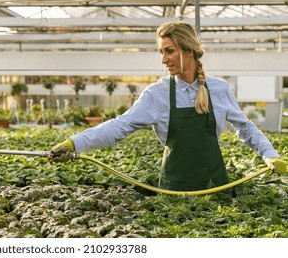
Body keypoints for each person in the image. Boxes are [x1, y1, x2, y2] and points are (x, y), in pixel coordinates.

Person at [50, 21, 286, 192]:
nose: (164, 60)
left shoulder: (219, 88)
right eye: (161, 52)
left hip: (215, 187)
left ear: (188, 49)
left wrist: (270, 155)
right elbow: (119, 127)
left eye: (169, 51)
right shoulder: (158, 93)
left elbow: (245, 128)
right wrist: (74, 142)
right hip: (174, 189)